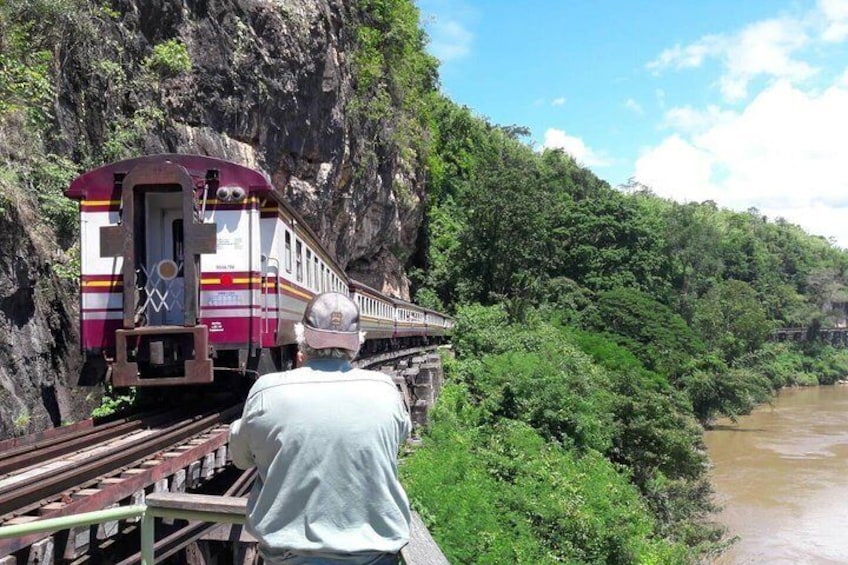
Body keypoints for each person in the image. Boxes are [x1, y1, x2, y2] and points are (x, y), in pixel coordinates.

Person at [229, 292, 412, 565]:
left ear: (302, 337)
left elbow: (240, 459)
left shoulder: (267, 391)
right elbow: (396, 443)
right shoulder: (385, 390)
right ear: (356, 344)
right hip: (374, 558)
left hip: (288, 559)